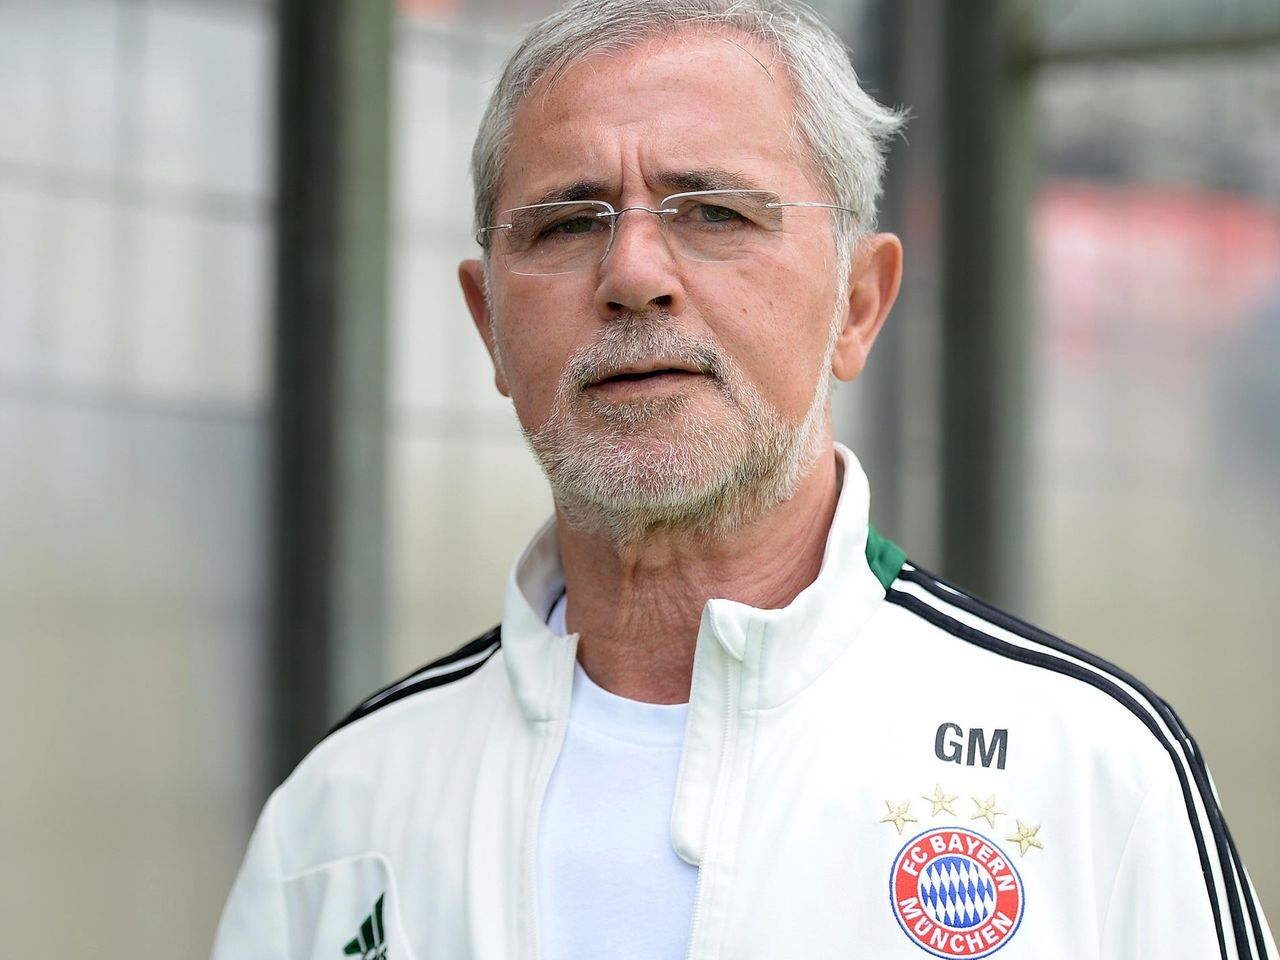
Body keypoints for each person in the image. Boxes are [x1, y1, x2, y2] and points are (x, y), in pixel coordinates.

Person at [213, 1, 1276, 957]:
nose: (633, 274)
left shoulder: (1092, 773)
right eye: (567, 223)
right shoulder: (338, 818)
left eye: (714, 212)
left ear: (858, 304)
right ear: (489, 324)